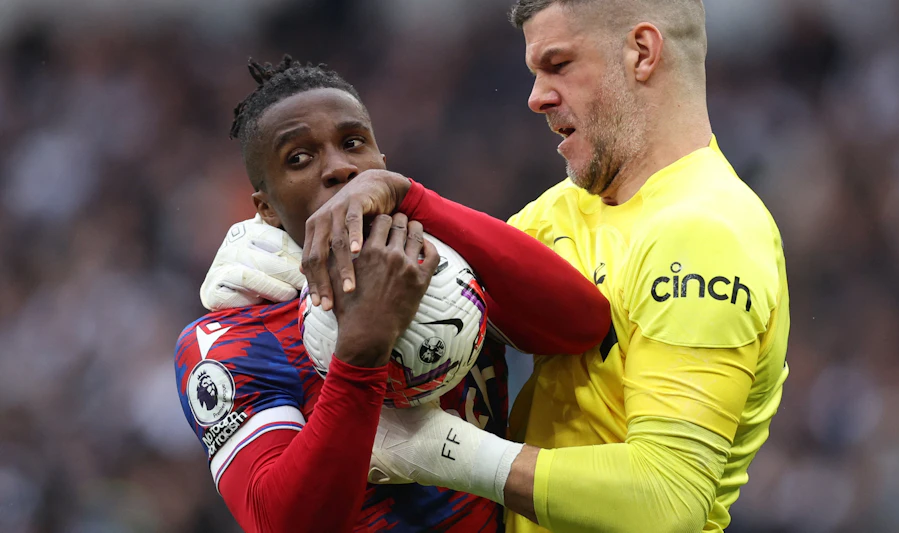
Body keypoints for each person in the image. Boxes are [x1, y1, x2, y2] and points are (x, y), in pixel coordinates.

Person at [204, 1, 791, 531]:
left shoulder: (707, 233)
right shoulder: (560, 211)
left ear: (642, 52)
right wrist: (289, 254)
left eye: (558, 65)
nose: (535, 97)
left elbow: (668, 502)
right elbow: (537, 305)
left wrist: (445, 451)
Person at [174, 56, 612, 533]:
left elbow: (583, 327)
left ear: (382, 162)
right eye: (298, 158)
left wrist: (415, 199)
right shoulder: (231, 339)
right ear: (266, 209)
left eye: (353, 142)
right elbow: (278, 522)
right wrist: (361, 354)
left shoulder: (449, 262)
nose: (340, 168)